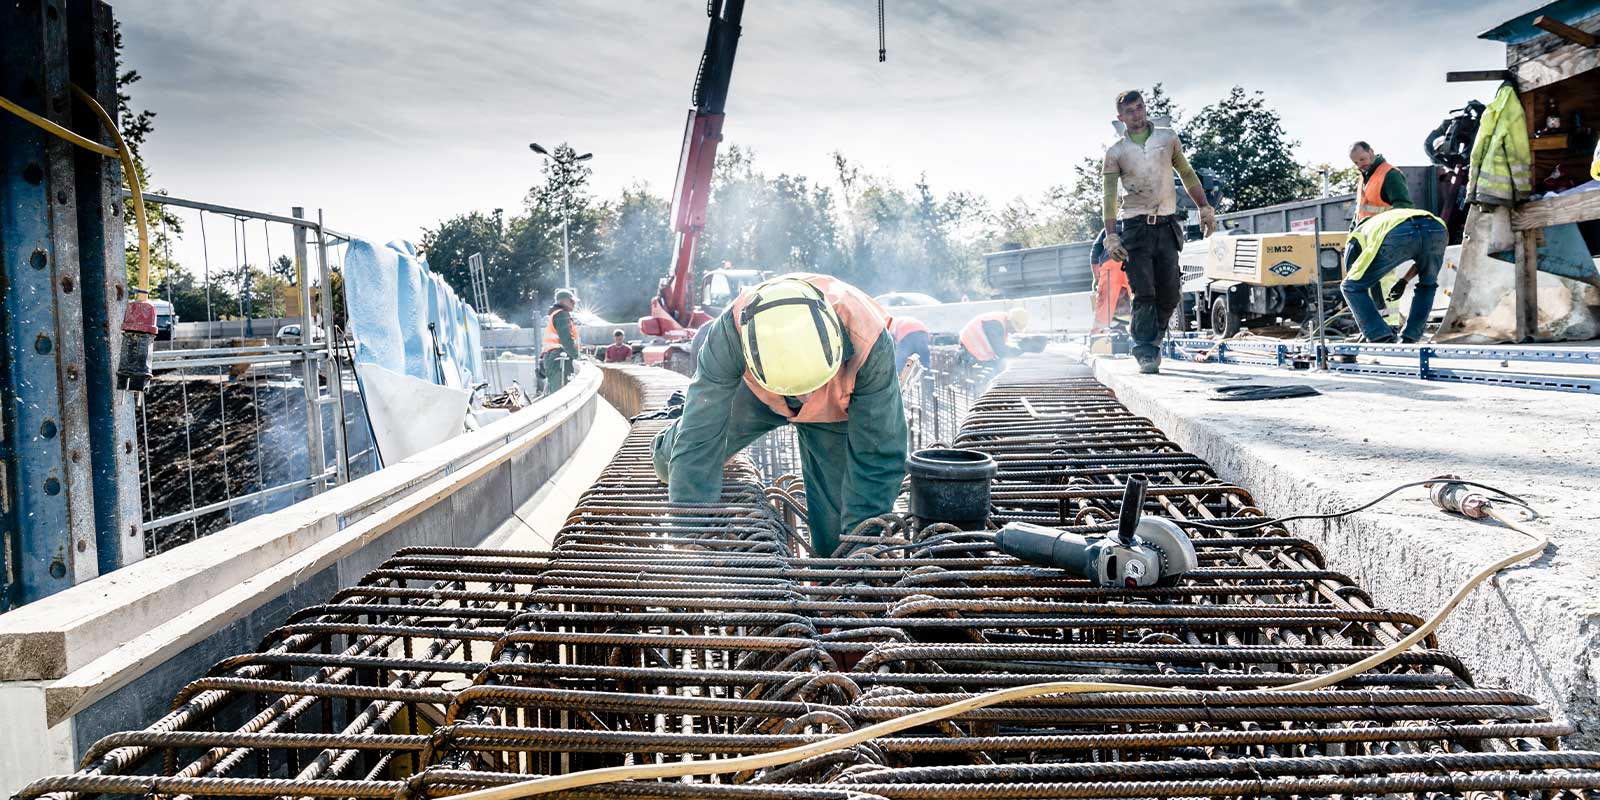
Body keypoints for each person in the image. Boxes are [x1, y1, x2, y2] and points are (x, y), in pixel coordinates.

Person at [652, 274, 908, 557]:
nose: (806, 401)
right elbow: (700, 435)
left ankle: (830, 578)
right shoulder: (730, 333)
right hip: (758, 395)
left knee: (840, 539)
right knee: (675, 464)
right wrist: (694, 533)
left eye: (810, 390)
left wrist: (861, 549)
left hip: (836, 403)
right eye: (800, 394)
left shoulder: (869, 340)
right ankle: (667, 442)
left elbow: (878, 453)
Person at [1101, 89, 1218, 375]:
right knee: (1144, 292)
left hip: (1166, 225)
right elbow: (1108, 195)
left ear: (1145, 108)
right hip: (1136, 227)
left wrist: (1204, 207)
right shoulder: (1115, 153)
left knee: (1169, 294)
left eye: (1139, 108)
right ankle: (1145, 351)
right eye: (1130, 111)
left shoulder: (1167, 139)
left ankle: (1154, 337)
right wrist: (1112, 235)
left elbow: (1187, 174)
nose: (1137, 115)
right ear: (1121, 117)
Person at [1339, 207, 1447, 344]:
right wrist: (1404, 281)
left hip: (1398, 234)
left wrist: (1369, 327)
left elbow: (1354, 279)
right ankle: (1410, 336)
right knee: (1427, 285)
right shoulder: (1384, 220)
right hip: (1436, 228)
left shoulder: (1355, 236)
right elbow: (1422, 260)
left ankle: (1380, 335)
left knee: (1350, 287)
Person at [1348, 141, 1413, 223]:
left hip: (1384, 233)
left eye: (1362, 159)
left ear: (1371, 151)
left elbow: (1404, 209)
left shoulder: (1390, 174)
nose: (1360, 165)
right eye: (1356, 162)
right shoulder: (1362, 178)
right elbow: (1359, 211)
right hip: (1367, 233)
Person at [541, 289, 582, 394]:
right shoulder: (562, 315)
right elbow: (566, 340)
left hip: (554, 357)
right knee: (561, 394)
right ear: (562, 301)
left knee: (555, 392)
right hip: (559, 359)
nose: (574, 304)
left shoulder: (555, 314)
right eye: (571, 301)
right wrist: (577, 356)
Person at [959, 307, 1029, 366]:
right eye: (1014, 328)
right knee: (998, 366)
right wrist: (1018, 351)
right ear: (1009, 321)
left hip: (973, 348)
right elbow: (1001, 351)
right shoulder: (995, 324)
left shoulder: (1002, 322)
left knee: (998, 365)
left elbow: (1000, 347)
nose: (1014, 332)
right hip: (969, 347)